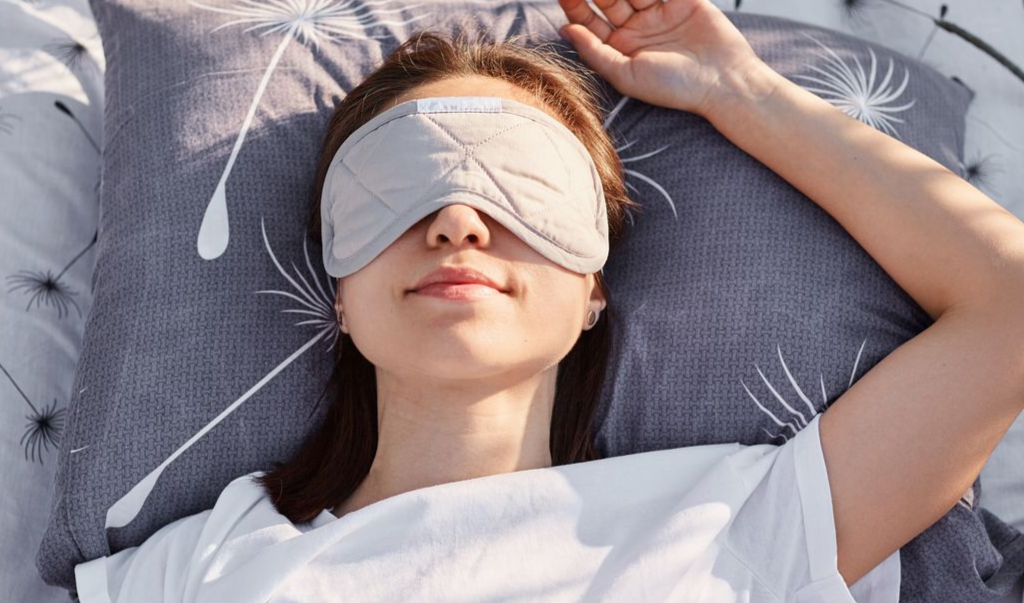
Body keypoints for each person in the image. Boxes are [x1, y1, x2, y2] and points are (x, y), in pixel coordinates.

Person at [73, 0, 1024, 601]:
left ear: (593, 290)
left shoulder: (741, 519)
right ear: (337, 292)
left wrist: (742, 90)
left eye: (521, 193)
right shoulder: (198, 567)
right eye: (395, 190)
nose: (457, 221)